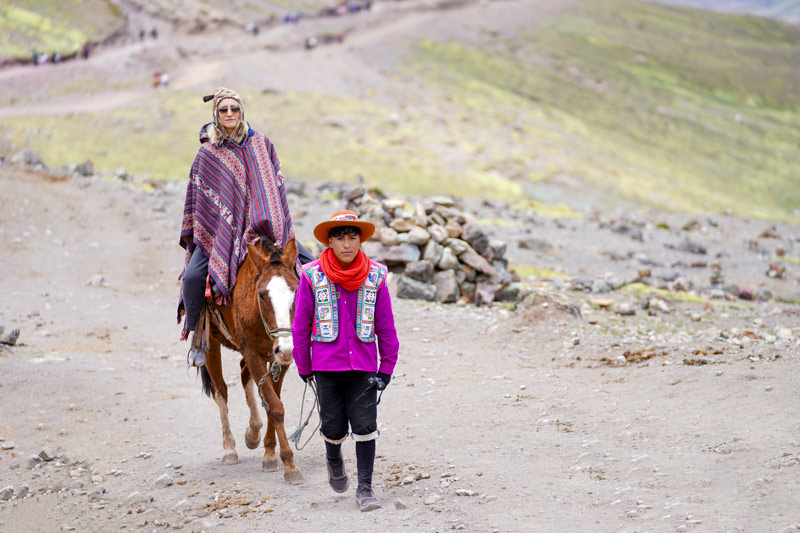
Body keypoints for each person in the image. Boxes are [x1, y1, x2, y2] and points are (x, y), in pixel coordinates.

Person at [177, 87, 313, 366]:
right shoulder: (208, 153)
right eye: (224, 109)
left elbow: (275, 187)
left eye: (234, 109)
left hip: (267, 232)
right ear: (216, 113)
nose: (230, 114)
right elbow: (200, 199)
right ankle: (199, 336)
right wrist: (221, 231)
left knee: (312, 267)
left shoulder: (262, 144)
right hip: (221, 237)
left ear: (242, 112)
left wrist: (276, 223)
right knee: (192, 277)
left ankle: (320, 328)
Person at [292, 211, 399, 512]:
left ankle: (365, 488)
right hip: (326, 366)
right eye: (340, 237)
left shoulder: (376, 276)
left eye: (353, 236)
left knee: (366, 425)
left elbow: (385, 325)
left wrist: (386, 367)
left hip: (364, 367)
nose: (347, 244)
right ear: (329, 241)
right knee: (334, 427)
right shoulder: (311, 276)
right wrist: (303, 366)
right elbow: (301, 325)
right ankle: (334, 459)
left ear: (360, 240)